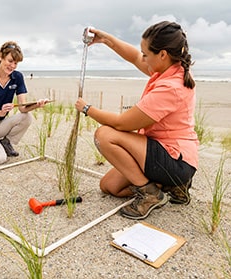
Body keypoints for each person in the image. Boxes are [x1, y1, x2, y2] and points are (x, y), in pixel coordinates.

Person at [75, 21, 199, 220]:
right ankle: (170, 186)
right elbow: (133, 56)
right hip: (163, 154)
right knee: (109, 186)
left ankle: (150, 194)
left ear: (163, 54)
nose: (142, 58)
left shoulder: (171, 87)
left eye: (146, 54)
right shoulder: (168, 68)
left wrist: (88, 109)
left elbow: (122, 123)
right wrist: (105, 39)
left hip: (175, 160)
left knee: (104, 134)